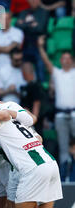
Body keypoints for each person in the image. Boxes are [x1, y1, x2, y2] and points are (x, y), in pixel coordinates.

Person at [37, 36, 75, 168]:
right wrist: (40, 47)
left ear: (72, 61)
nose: (66, 60)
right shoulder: (57, 73)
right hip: (60, 115)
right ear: (60, 60)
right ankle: (65, 174)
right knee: (63, 146)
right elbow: (46, 62)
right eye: (63, 58)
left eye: (68, 58)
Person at [15, 0, 49, 81]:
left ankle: (42, 91)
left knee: (40, 72)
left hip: (39, 46)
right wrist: (32, 24)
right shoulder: (24, 12)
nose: (33, 1)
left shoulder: (44, 12)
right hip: (25, 45)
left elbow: (40, 28)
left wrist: (25, 23)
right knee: (24, 73)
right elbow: (17, 26)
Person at [0, 11, 24, 81]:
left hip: (13, 69)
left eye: (6, 19)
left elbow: (11, 49)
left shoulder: (17, 32)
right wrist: (7, 48)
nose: (4, 21)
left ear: (10, 20)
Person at [20, 62, 48, 134]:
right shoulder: (29, 86)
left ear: (23, 73)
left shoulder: (35, 85)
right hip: (31, 118)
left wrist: (33, 121)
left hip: (35, 120)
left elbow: (37, 103)